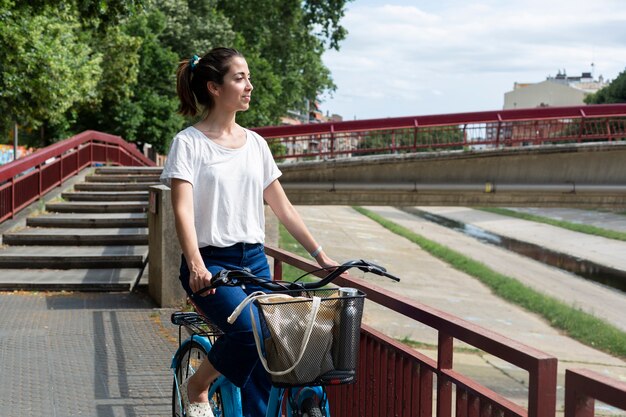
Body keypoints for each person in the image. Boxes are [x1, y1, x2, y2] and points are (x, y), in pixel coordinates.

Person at [160, 47, 336, 417]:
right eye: (239, 78)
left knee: (279, 340)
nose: (249, 85)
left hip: (254, 261)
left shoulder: (256, 144)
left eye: (249, 77)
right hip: (210, 264)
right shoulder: (188, 143)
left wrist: (320, 256)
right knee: (248, 333)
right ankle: (198, 385)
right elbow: (182, 209)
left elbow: (283, 207)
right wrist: (195, 264)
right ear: (213, 87)